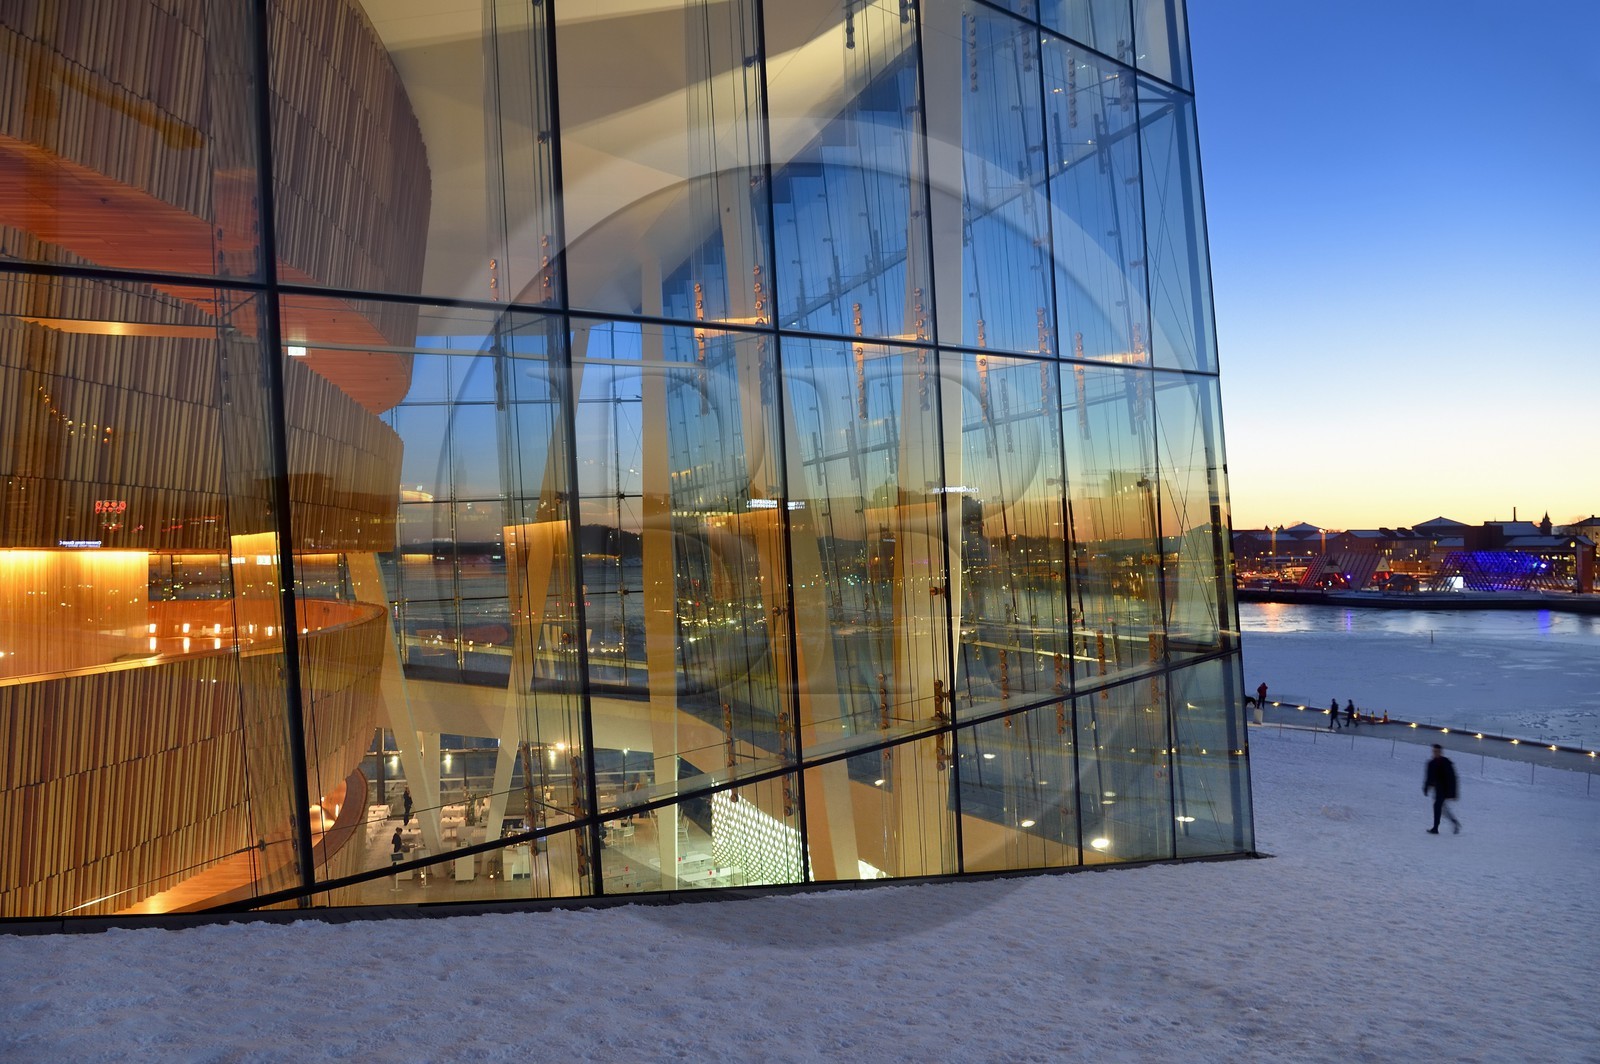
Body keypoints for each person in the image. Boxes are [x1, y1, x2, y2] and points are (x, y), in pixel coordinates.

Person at [1423, 744, 1461, 834]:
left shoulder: (1446, 762)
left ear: (1440, 752)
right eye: (1434, 751)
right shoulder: (1431, 763)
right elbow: (1428, 777)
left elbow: (1453, 778)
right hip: (1437, 789)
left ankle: (1435, 828)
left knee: (1437, 806)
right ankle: (1454, 822)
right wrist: (1426, 787)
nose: (1435, 753)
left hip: (1444, 790)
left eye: (1437, 751)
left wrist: (1454, 793)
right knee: (1442, 809)